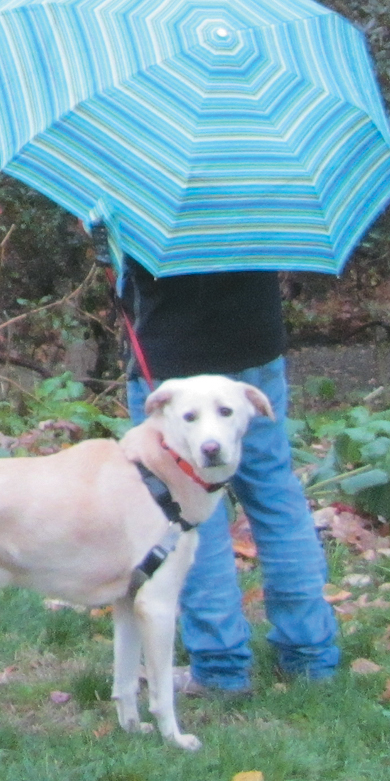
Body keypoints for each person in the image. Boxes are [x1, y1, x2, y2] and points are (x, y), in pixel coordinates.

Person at [120, 258, 340, 693]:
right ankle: (310, 654)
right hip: (254, 342)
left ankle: (220, 665)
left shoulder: (147, 193)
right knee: (275, 492)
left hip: (172, 353)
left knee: (188, 517)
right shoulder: (262, 188)